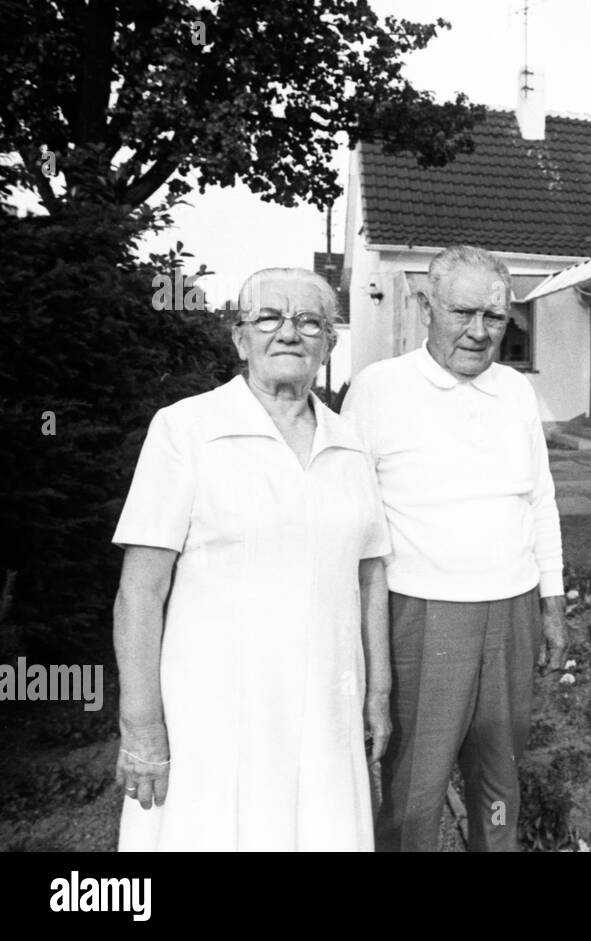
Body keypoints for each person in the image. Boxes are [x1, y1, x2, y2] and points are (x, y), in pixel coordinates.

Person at [112, 268, 392, 851]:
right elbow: (141, 589)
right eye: (269, 317)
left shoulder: (352, 443)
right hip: (214, 711)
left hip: (324, 710)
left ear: (329, 344)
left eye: (309, 321)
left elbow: (370, 575)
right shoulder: (186, 429)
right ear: (240, 339)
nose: (289, 333)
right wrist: (141, 725)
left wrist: (378, 691)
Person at [343, 244, 567, 852]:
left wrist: (552, 602)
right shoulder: (377, 390)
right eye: (463, 312)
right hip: (422, 613)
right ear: (425, 308)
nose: (478, 331)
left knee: (499, 783)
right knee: (416, 789)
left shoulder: (518, 392)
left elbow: (539, 501)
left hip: (513, 610)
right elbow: (353, 527)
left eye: (495, 318)